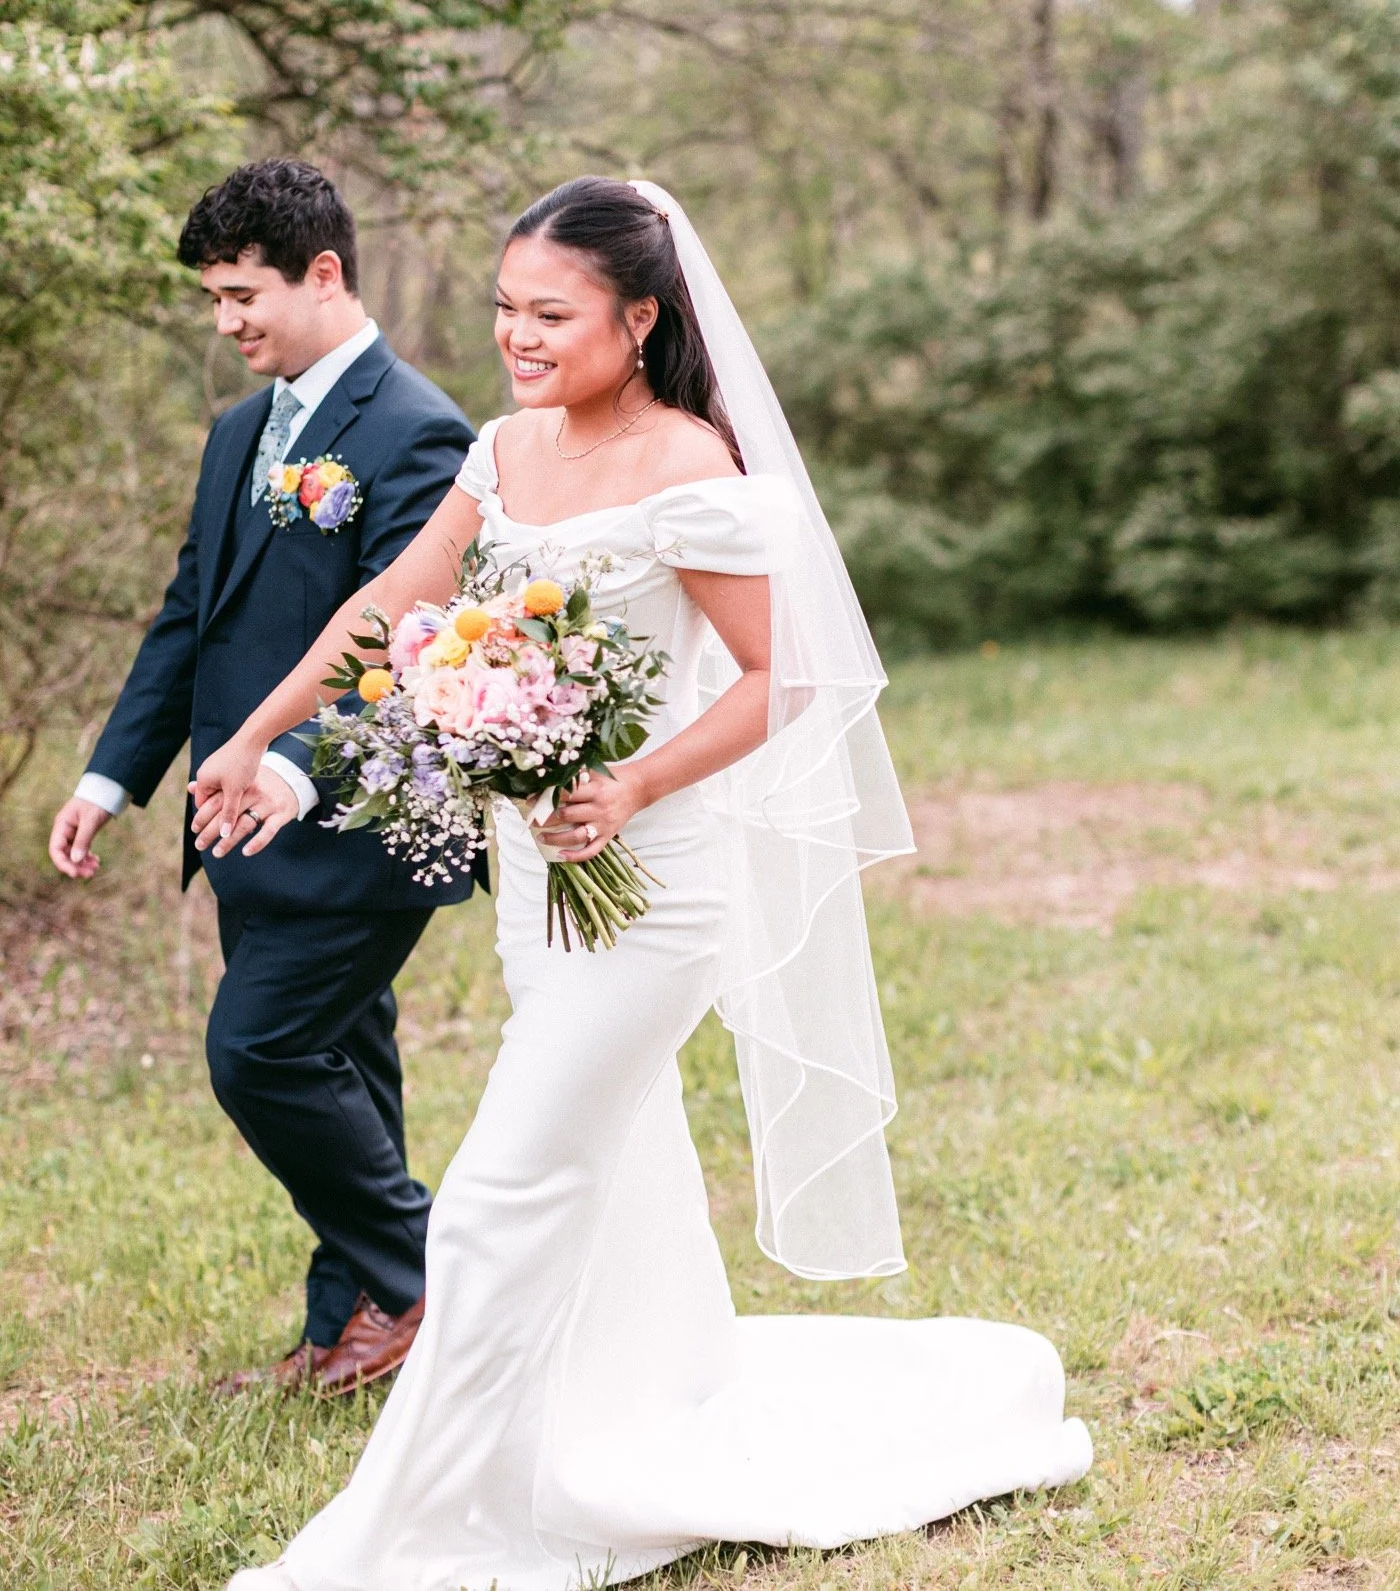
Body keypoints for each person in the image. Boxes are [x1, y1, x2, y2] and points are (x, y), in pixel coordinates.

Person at [193, 177, 1091, 1591]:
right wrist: (257, 735)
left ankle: (421, 1526)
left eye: (551, 314)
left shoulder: (692, 465)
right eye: (506, 308)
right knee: (618, 1169)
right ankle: (642, 1408)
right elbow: (389, 610)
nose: (518, 335)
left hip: (652, 891)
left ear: (641, 318)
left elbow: (784, 675)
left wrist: (635, 783)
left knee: (494, 1196)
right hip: (535, 888)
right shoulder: (500, 450)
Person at [48, 159, 486, 1397]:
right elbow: (190, 617)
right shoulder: (240, 432)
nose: (225, 321)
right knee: (347, 1064)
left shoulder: (418, 430)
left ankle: (436, 1281)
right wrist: (110, 778)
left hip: (358, 818)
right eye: (213, 298)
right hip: (237, 822)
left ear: (324, 272)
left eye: (242, 294)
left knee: (260, 1052)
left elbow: (408, 642)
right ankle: (351, 1326)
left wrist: (291, 764)